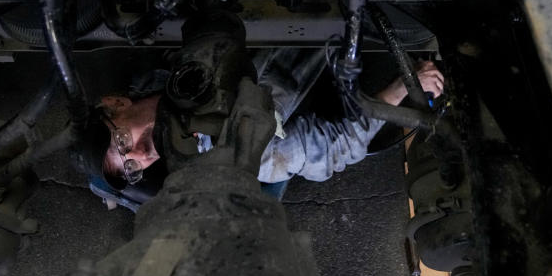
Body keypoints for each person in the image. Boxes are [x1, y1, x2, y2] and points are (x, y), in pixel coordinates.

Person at [88, 47, 444, 206]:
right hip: (326, 6)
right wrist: (402, 87)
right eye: (131, 166)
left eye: (120, 142)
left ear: (115, 104)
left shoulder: (145, 44)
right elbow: (337, 148)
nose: (137, 153)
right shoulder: (238, 147)